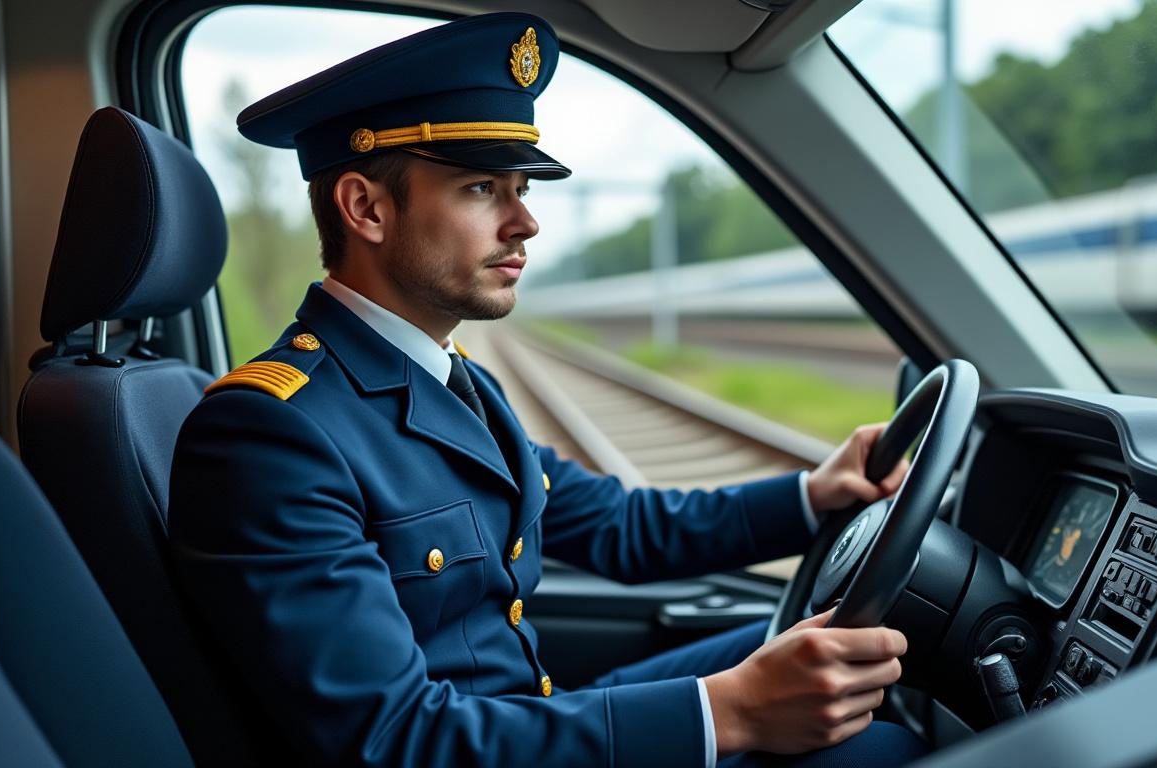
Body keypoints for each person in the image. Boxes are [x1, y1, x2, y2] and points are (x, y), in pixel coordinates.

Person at [169, 12, 923, 768]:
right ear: (366, 208)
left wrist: (814, 496)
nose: (525, 222)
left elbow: (620, 528)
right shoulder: (271, 435)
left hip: (526, 725)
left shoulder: (460, 382)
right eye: (480, 188)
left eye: (522, 189)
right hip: (478, 749)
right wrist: (729, 714)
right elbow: (394, 743)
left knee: (865, 656)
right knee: (881, 747)